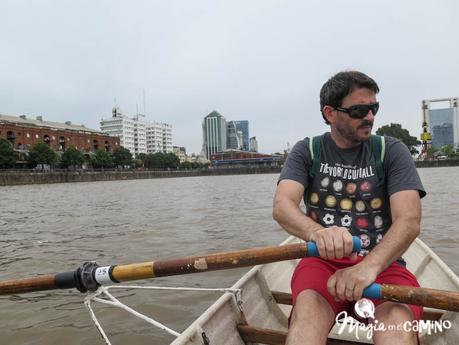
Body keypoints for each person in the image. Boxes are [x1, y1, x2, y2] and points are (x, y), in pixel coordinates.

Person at [272, 71, 426, 345]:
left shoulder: (391, 150)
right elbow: (283, 206)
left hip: (384, 265)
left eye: (373, 108)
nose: (369, 117)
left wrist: (369, 267)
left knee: (395, 326)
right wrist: (317, 233)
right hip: (321, 263)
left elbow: (409, 220)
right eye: (359, 110)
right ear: (330, 113)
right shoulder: (307, 151)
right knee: (306, 319)